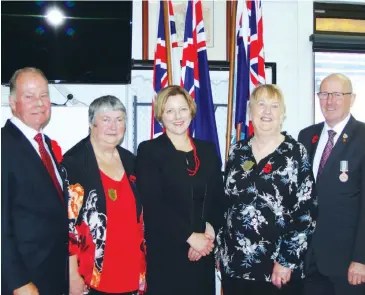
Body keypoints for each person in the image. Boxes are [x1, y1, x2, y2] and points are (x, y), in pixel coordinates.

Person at [217, 84, 317, 295]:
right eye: (260, 104)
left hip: (277, 271)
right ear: (250, 111)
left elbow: (306, 212)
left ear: (282, 113)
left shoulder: (295, 153)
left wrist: (287, 260)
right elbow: (224, 204)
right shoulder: (237, 151)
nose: (267, 112)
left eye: (274, 106)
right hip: (235, 268)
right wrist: (220, 252)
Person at [135, 85, 225, 295]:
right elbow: (153, 205)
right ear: (161, 116)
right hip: (167, 254)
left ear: (191, 111)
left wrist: (207, 238)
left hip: (203, 253)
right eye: (169, 111)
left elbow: (219, 199)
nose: (177, 116)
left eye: (182, 109)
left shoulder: (208, 150)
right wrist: (190, 237)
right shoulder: (149, 151)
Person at [61, 95, 145, 295]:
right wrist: (73, 276)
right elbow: (68, 226)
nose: (113, 127)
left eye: (119, 120)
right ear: (92, 124)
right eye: (106, 120)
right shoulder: (74, 164)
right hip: (93, 277)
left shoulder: (132, 162)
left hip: (133, 274)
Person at [1, 67, 69, 295]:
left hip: (53, 278)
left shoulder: (46, 145)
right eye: (29, 96)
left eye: (43, 95)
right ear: (12, 103)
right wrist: (18, 282)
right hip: (25, 282)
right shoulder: (4, 146)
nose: (38, 103)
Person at [299, 73, 365, 295]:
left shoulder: (363, 137)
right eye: (324, 94)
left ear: (352, 98)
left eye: (337, 94)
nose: (330, 101)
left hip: (347, 263)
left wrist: (361, 258)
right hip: (309, 259)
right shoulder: (306, 137)